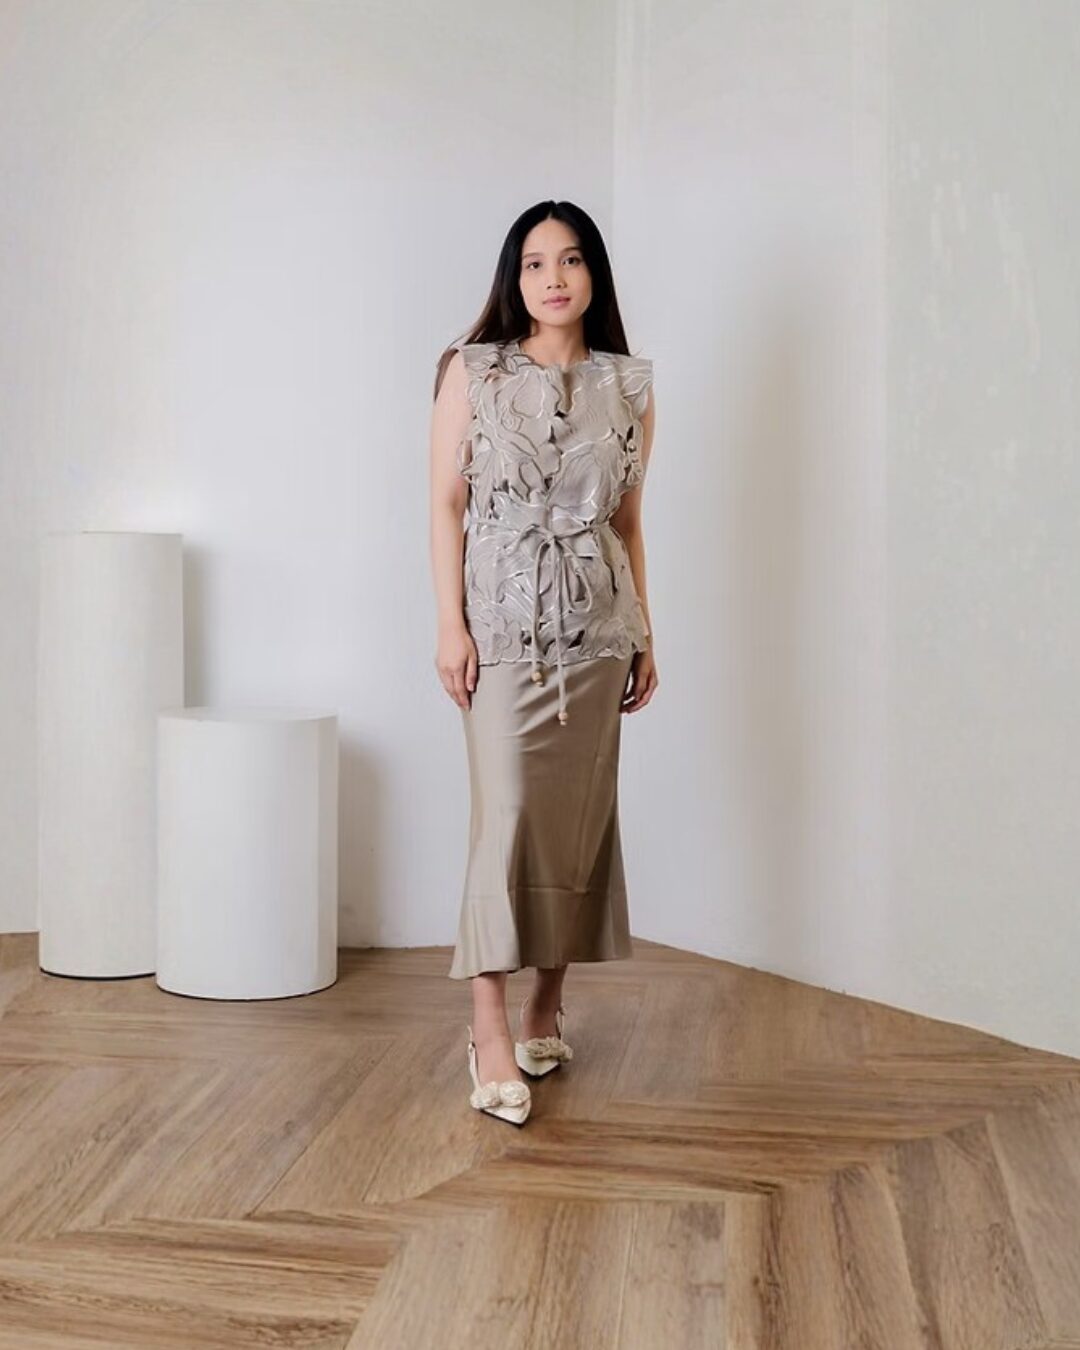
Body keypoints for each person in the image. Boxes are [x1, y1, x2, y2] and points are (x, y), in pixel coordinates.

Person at [429, 200, 658, 1125]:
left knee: (576, 823)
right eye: (533, 263)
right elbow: (446, 505)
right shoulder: (472, 370)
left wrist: (646, 632)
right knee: (508, 819)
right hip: (500, 629)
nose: (552, 278)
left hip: (599, 632)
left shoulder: (628, 385)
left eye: (569, 260)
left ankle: (543, 1008)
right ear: (513, 278)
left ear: (593, 272)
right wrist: (450, 626)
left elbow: (629, 521)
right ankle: (485, 1027)